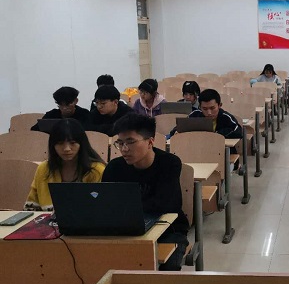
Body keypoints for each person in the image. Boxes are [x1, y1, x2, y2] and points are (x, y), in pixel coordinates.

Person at [102, 114, 188, 271]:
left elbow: (169, 205)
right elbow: (106, 203)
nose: (124, 149)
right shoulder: (114, 167)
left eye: (130, 142)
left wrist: (126, 208)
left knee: (167, 265)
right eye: (120, 143)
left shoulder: (169, 163)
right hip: (125, 229)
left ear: (150, 142)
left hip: (168, 230)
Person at [24, 119, 105, 211]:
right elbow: (31, 208)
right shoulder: (43, 169)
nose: (67, 149)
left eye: (73, 143)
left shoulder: (96, 170)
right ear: (53, 145)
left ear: (81, 144)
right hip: (48, 220)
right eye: (60, 143)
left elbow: (102, 209)